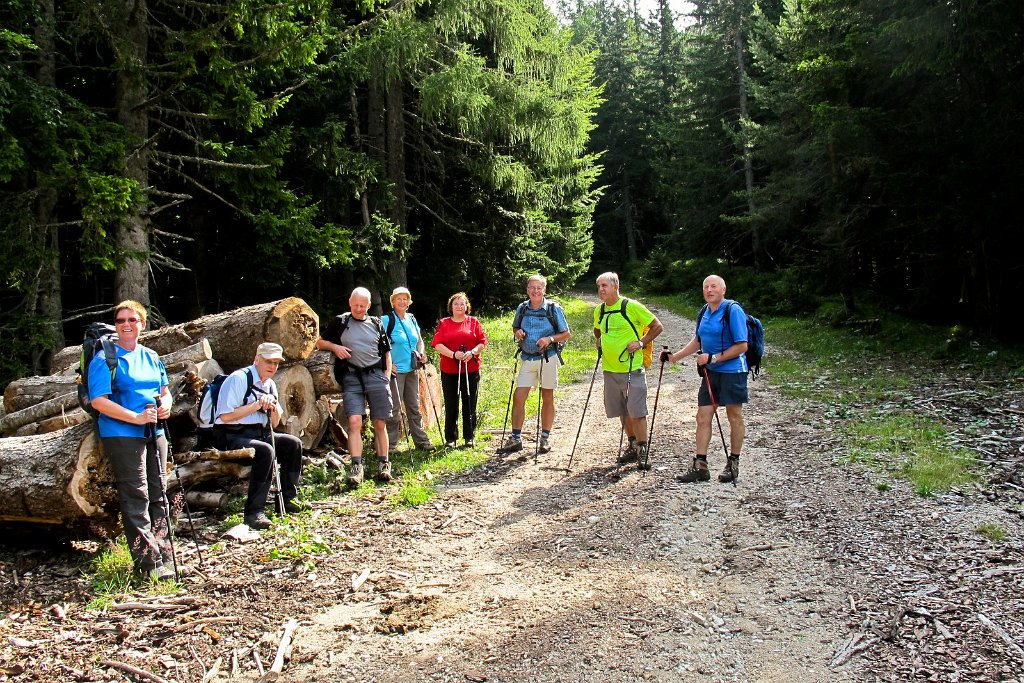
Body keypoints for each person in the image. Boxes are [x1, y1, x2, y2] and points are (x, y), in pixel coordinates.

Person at [88, 300, 175, 581]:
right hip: (123, 434)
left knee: (160, 491)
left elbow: (165, 390)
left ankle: (165, 554)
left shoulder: (151, 356)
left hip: (154, 431)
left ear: (143, 324)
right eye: (120, 320)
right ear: (116, 326)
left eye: (132, 320)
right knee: (137, 495)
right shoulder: (105, 359)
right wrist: (134, 418)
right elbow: (98, 401)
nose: (126, 324)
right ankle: (147, 563)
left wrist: (166, 406)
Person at [662, 274, 749, 483]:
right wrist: (674, 358)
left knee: (734, 415)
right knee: (703, 416)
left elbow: (742, 345)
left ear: (723, 290)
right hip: (711, 372)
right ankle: (701, 466)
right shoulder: (705, 311)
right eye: (706, 287)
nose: (709, 290)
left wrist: (714, 357)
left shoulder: (732, 310)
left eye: (714, 287)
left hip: (733, 371)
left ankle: (733, 463)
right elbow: (698, 340)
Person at [216, 342, 306, 529]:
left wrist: (272, 407)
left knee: (293, 444)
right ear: (257, 359)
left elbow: (275, 423)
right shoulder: (239, 379)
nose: (272, 367)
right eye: (268, 361)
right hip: (232, 435)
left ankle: (289, 500)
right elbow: (225, 416)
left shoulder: (270, 384)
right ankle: (254, 512)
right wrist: (256, 405)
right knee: (265, 451)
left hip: (260, 432)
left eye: (276, 363)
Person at [317, 287, 394, 486]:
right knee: (353, 421)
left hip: (376, 376)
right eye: (355, 305)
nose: (359, 309)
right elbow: (319, 342)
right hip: (351, 377)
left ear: (369, 305)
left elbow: (386, 352)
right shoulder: (341, 322)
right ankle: (356, 466)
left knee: (379, 422)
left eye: (363, 305)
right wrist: (335, 347)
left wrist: (386, 375)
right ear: (350, 303)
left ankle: (384, 463)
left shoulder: (376, 324)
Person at [593, 272, 664, 469]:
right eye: (599, 286)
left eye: (605, 285)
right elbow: (597, 329)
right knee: (622, 410)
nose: (601, 290)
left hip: (632, 368)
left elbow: (657, 326)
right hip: (610, 369)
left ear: (616, 286)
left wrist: (641, 343)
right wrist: (599, 340)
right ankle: (632, 445)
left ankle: (643, 450)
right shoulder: (599, 310)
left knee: (637, 411)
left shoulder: (631, 306)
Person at [496, 275, 571, 455]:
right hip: (528, 358)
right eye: (532, 287)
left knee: (547, 396)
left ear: (544, 290)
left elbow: (566, 333)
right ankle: (515, 438)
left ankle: (545, 438)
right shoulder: (522, 308)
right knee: (519, 396)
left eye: (539, 288)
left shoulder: (553, 308)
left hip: (548, 357)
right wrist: (518, 332)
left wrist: (549, 339)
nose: (535, 291)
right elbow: (515, 327)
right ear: (527, 289)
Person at [432, 292, 488, 448]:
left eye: (462, 303)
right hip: (449, 370)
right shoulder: (444, 323)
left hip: (471, 369)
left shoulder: (474, 322)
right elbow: (437, 344)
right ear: (451, 306)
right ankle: (450, 438)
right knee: (451, 404)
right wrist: (453, 355)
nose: (459, 306)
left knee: (470, 403)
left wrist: (472, 352)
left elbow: (482, 342)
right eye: (455, 303)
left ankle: (469, 436)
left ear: (467, 306)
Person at [382, 286, 433, 452]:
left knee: (414, 406)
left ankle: (421, 441)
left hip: (412, 369)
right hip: (395, 372)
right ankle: (390, 445)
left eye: (405, 299)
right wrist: (387, 363)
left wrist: (422, 354)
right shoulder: (386, 320)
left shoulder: (411, 318)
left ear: (409, 301)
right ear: (393, 301)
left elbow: (419, 340)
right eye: (399, 299)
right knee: (394, 408)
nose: (402, 301)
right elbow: (378, 344)